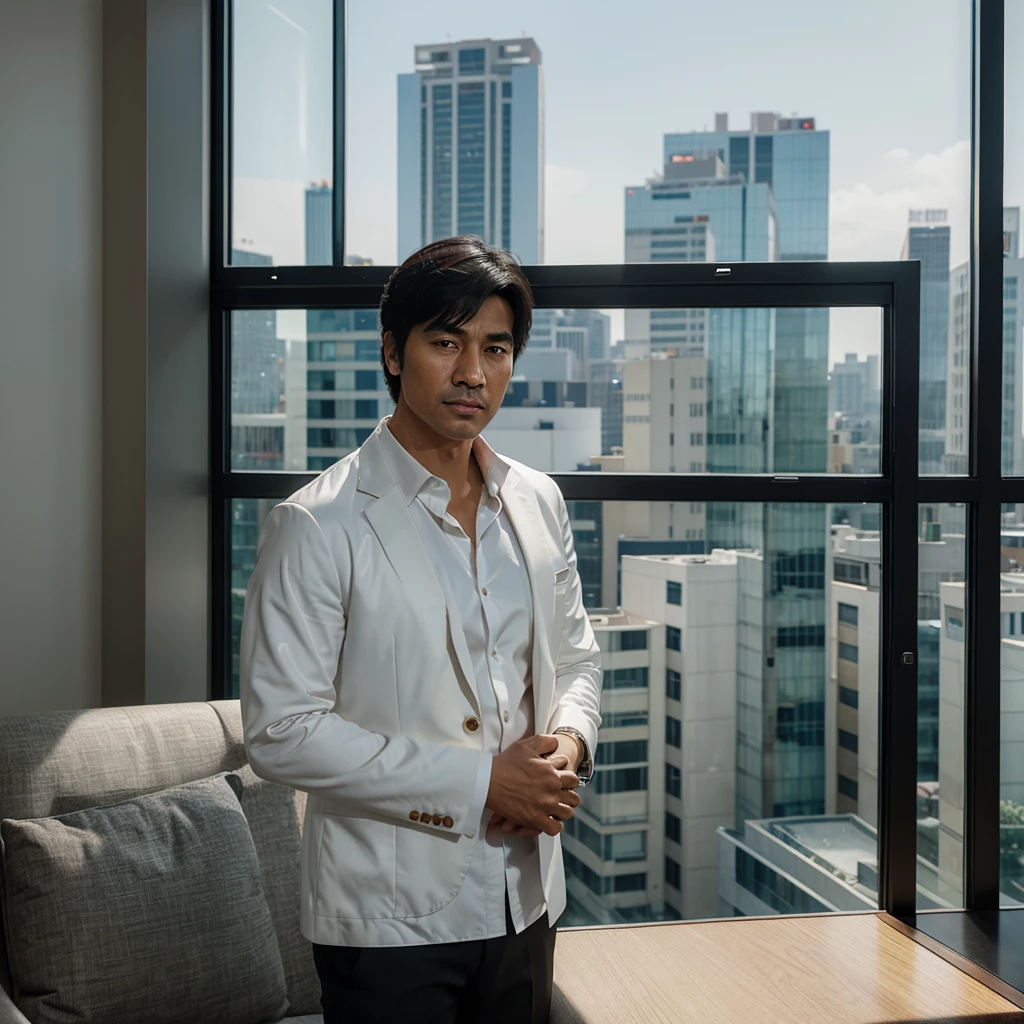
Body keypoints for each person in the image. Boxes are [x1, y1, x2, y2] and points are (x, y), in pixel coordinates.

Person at [239, 235, 602, 1024]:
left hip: (527, 897)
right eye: (447, 342)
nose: (473, 372)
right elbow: (281, 732)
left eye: (495, 347)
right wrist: (482, 784)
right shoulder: (315, 524)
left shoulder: (538, 501)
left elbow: (576, 659)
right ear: (393, 353)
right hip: (388, 918)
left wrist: (565, 747)